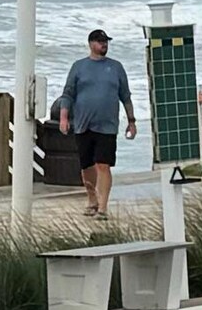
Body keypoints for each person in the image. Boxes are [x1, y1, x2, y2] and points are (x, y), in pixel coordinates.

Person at [56, 28, 140, 212]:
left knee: (104, 164)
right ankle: (92, 199)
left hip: (107, 125)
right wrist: (64, 118)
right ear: (91, 44)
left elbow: (125, 96)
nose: (104, 44)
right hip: (83, 124)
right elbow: (68, 94)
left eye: (106, 41)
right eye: (100, 41)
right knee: (87, 165)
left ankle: (103, 207)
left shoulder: (116, 67)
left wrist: (131, 121)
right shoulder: (79, 66)